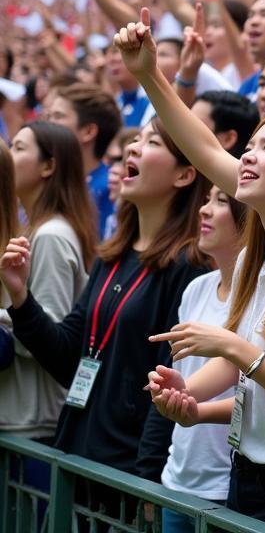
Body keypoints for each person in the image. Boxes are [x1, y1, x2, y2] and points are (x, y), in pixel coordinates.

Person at [115, 9, 265, 533]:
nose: (246, 158)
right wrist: (189, 394)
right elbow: (205, 147)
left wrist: (235, 349)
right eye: (248, 148)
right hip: (245, 475)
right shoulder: (259, 256)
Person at [0, 116, 209, 483]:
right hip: (79, 452)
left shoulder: (188, 266)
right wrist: (21, 297)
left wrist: (147, 479)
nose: (132, 147)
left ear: (185, 175)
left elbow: (169, 384)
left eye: (152, 143)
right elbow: (67, 358)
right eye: (137, 139)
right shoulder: (112, 256)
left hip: (128, 472)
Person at [159, 183, 248, 533]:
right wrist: (169, 394)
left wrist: (193, 406)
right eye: (206, 199)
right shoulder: (196, 288)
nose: (204, 210)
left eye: (221, 201)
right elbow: (183, 380)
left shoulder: (260, 294)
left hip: (225, 486)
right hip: (177, 478)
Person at [0, 123, 95, 442]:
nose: (9, 156)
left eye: (19, 148)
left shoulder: (52, 236)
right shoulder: (34, 231)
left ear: (49, 166)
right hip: (21, 417)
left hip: (34, 424)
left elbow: (47, 340)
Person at [44, 82, 122, 236]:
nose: (47, 124)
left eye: (58, 116)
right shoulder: (49, 180)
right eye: (48, 116)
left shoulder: (110, 188)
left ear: (88, 131)